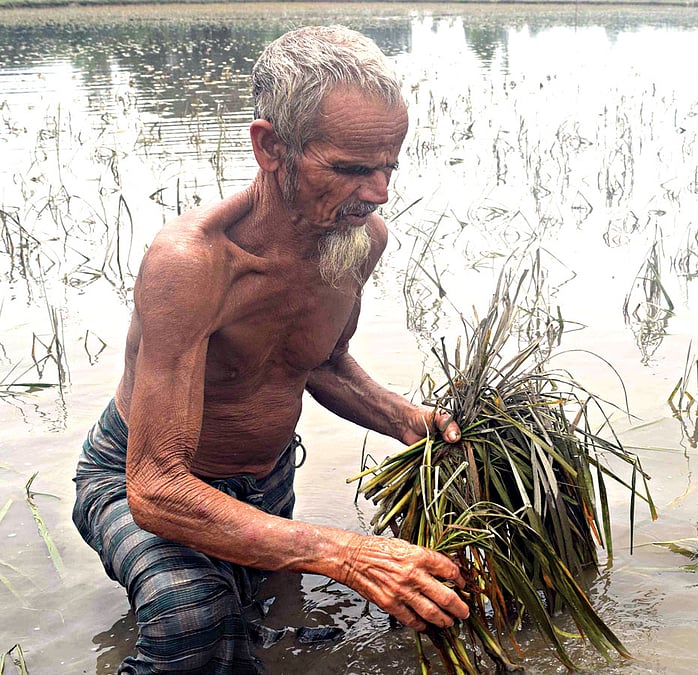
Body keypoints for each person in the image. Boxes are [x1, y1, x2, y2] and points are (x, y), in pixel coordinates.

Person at [72, 26, 470, 673]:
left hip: (266, 482)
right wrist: (344, 552)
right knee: (194, 614)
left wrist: (419, 426)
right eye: (348, 169)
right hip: (138, 478)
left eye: (387, 166)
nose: (378, 193)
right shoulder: (194, 263)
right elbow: (154, 485)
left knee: (275, 634)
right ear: (270, 147)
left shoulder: (357, 239)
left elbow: (320, 361)